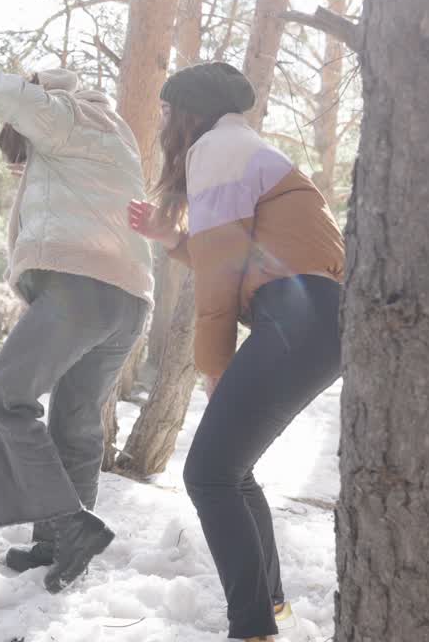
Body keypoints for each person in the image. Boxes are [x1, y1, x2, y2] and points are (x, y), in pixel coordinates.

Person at [127, 62, 344, 641]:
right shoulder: (239, 146)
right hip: (314, 318)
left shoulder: (218, 148)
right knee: (231, 473)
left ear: (190, 112)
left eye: (168, 112)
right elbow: (237, 258)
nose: (163, 125)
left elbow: (220, 282)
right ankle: (268, 614)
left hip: (303, 318)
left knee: (209, 475)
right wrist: (173, 240)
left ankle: (253, 630)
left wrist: (214, 365)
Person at [0, 57, 154, 593]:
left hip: (82, 287)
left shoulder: (63, 116)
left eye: (20, 159)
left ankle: (73, 524)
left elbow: (19, 101)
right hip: (128, 302)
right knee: (75, 422)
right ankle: (57, 545)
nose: (21, 169)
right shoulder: (111, 131)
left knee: (8, 400)